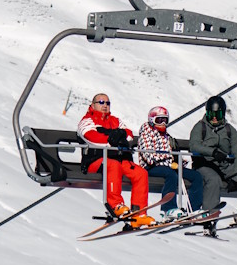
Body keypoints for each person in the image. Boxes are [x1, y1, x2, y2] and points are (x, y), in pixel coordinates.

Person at [78, 92, 153, 227]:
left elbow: (129, 134)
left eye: (107, 103)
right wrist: (112, 140)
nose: (105, 105)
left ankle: (139, 213)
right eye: (101, 102)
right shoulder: (87, 120)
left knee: (140, 173)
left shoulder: (115, 121)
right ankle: (116, 205)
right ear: (93, 105)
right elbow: (91, 137)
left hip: (117, 159)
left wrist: (120, 136)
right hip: (95, 160)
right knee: (112, 165)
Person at [188, 94, 237, 226]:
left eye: (218, 114)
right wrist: (212, 152)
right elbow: (194, 145)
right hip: (205, 165)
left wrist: (236, 177)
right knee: (213, 179)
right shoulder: (200, 127)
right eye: (211, 114)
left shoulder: (229, 130)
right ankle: (209, 214)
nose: (215, 118)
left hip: (224, 166)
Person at [135, 105, 204, 221]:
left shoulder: (166, 137)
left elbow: (172, 155)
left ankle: (194, 208)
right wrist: (169, 161)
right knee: (171, 174)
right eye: (159, 120)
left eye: (165, 120)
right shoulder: (146, 134)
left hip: (168, 166)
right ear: (152, 120)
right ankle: (168, 208)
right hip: (151, 167)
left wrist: (178, 161)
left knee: (196, 176)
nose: (162, 123)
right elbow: (149, 156)